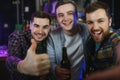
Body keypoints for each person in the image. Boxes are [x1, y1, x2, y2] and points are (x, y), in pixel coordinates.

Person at [47, 0, 89, 80]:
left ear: (77, 15)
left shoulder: (87, 29)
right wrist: (55, 69)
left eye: (70, 13)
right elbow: (50, 62)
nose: (65, 18)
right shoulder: (52, 36)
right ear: (57, 18)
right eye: (60, 15)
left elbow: (108, 32)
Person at [6, 11, 52, 80]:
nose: (40, 31)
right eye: (36, 26)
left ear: (49, 28)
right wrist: (22, 66)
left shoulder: (50, 39)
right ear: (30, 25)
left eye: (45, 27)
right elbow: (10, 59)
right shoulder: (18, 36)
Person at [83, 1, 120, 80]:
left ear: (110, 22)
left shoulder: (115, 39)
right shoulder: (88, 41)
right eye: (90, 22)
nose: (95, 27)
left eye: (100, 21)